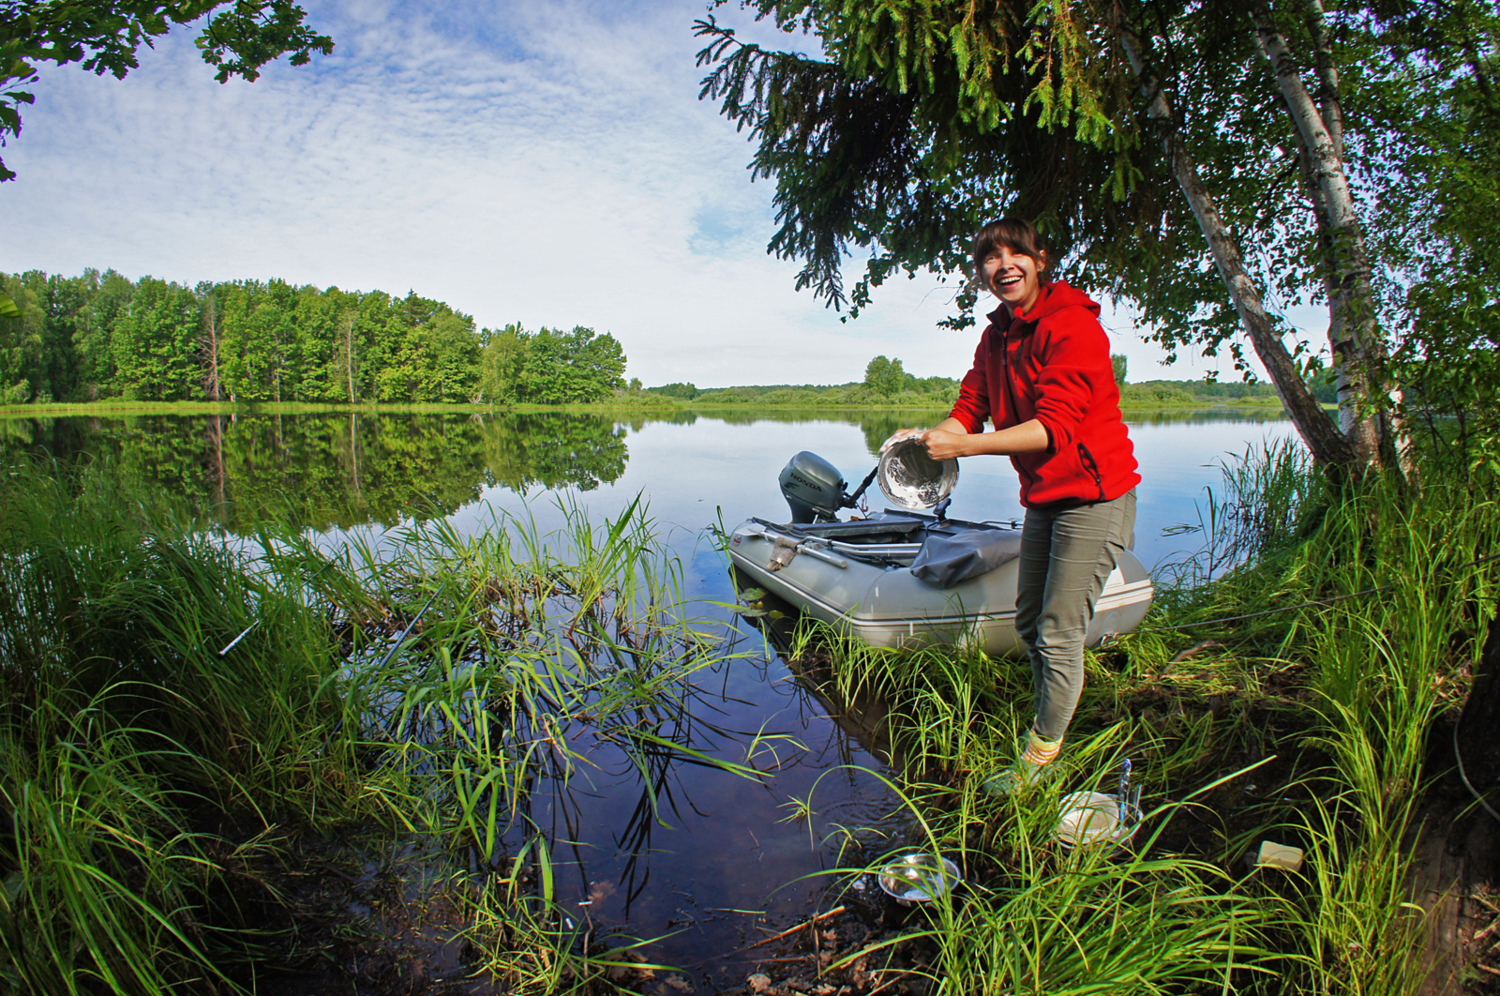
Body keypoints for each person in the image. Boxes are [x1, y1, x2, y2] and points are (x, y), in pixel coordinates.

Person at [885, 218, 1140, 795]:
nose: (1003, 265)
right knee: (1029, 622)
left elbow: (1054, 429)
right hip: (1046, 498)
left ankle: (1039, 764)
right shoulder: (996, 335)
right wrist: (931, 439)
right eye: (990, 258)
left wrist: (966, 446)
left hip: (1095, 496)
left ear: (1040, 259)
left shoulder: (1071, 325)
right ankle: (1048, 719)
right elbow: (970, 404)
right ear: (982, 274)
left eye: (1014, 254)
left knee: (1055, 631)